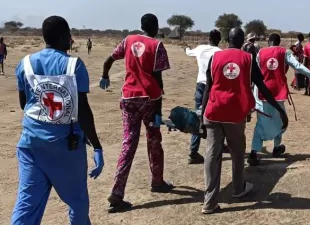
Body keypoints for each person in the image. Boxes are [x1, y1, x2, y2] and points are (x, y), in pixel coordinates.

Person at [11, 16, 104, 225]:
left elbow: (23, 103)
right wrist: (96, 146)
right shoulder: (74, 65)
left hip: (31, 144)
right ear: (64, 37)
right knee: (77, 202)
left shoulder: (25, 64)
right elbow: (83, 111)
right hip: (65, 147)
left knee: (26, 205)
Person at [199, 28, 288, 214]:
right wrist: (280, 109)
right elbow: (262, 86)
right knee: (238, 152)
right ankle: (238, 189)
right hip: (234, 114)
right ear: (242, 41)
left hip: (213, 111)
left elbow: (208, 88)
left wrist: (201, 117)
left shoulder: (215, 58)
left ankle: (209, 202)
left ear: (227, 40)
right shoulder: (247, 59)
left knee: (212, 153)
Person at [99, 13, 173, 213]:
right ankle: (157, 181)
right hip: (149, 100)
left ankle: (117, 191)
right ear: (156, 27)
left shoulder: (128, 40)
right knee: (154, 139)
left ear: (141, 26)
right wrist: (158, 109)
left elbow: (109, 59)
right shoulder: (157, 46)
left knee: (129, 142)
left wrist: (105, 75)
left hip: (128, 98)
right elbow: (157, 79)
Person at [248, 33, 310, 166]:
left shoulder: (260, 53)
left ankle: (254, 152)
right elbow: (298, 66)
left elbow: (254, 72)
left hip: (261, 93)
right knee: (281, 121)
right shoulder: (284, 52)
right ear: (278, 42)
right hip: (277, 93)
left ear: (269, 42)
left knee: (260, 122)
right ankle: (276, 148)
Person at [184, 29, 222, 164]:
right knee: (217, 117)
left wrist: (187, 48)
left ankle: (193, 151)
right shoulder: (220, 52)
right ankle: (219, 146)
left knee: (198, 116)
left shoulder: (200, 49)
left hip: (201, 85)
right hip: (214, 86)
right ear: (220, 40)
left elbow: (188, 52)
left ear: (209, 38)